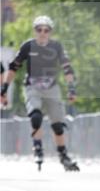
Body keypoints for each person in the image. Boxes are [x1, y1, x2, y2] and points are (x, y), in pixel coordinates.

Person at [0, 14, 80, 171]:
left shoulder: (56, 47)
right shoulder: (27, 46)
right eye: (39, 29)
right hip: (32, 86)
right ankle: (38, 148)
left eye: (46, 30)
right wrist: (4, 88)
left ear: (50, 32)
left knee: (58, 125)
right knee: (35, 117)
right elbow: (14, 67)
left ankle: (63, 155)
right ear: (34, 31)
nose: (42, 33)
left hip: (52, 88)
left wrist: (71, 88)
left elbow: (67, 68)